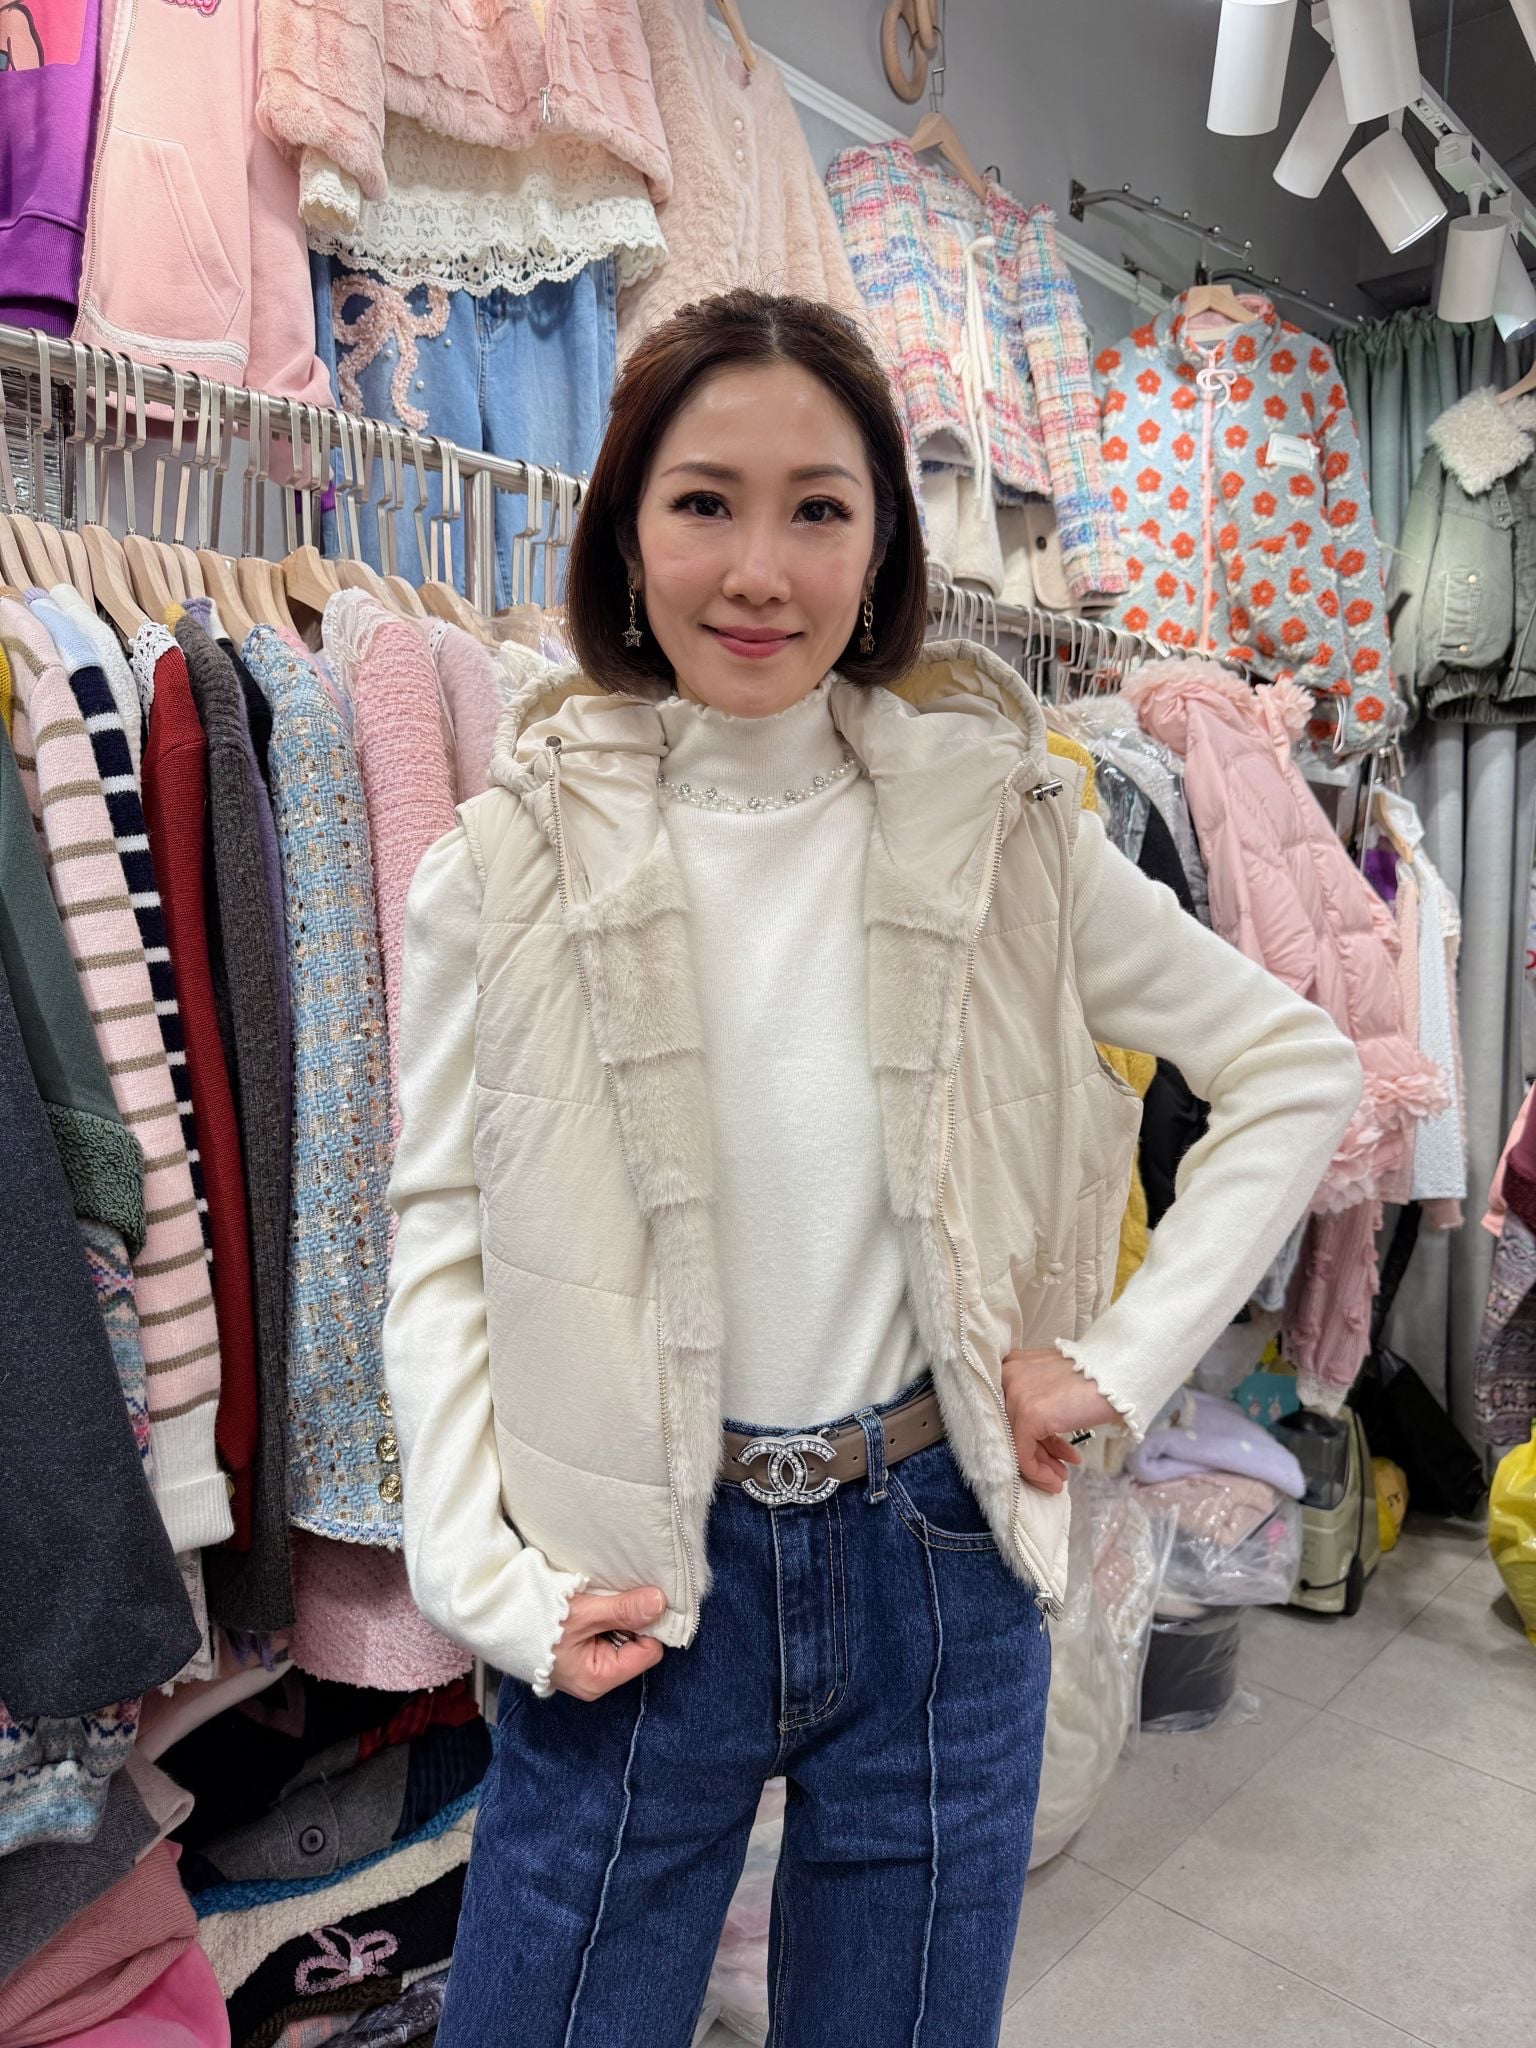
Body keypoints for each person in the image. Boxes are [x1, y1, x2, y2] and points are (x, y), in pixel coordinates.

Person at [383, 289, 1361, 2047]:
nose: (760, 569)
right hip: (634, 1569)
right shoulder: (501, 862)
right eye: (705, 501)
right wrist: (477, 1577)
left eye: (819, 508)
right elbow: (442, 1237)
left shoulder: (1007, 829)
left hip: (935, 1553)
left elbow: (1296, 1068)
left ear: (884, 542)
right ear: (625, 530)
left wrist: (1123, 1366)